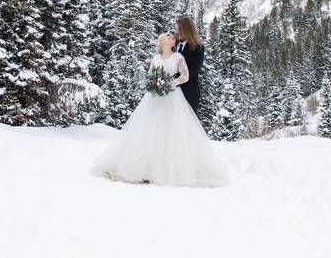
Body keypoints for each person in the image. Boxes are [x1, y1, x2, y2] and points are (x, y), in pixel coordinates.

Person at [92, 33, 229, 187]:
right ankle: (143, 167)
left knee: (171, 130)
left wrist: (170, 83)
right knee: (149, 129)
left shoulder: (178, 57)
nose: (172, 38)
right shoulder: (155, 59)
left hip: (173, 98)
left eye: (173, 37)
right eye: (169, 36)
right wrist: (155, 84)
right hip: (154, 98)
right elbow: (150, 76)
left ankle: (169, 169)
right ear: (162, 41)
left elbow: (185, 75)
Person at [174, 16, 205, 116]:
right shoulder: (173, 45)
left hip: (189, 93)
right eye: (176, 28)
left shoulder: (198, 48)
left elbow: (193, 70)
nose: (177, 31)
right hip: (172, 93)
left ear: (187, 29)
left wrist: (174, 81)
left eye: (179, 29)